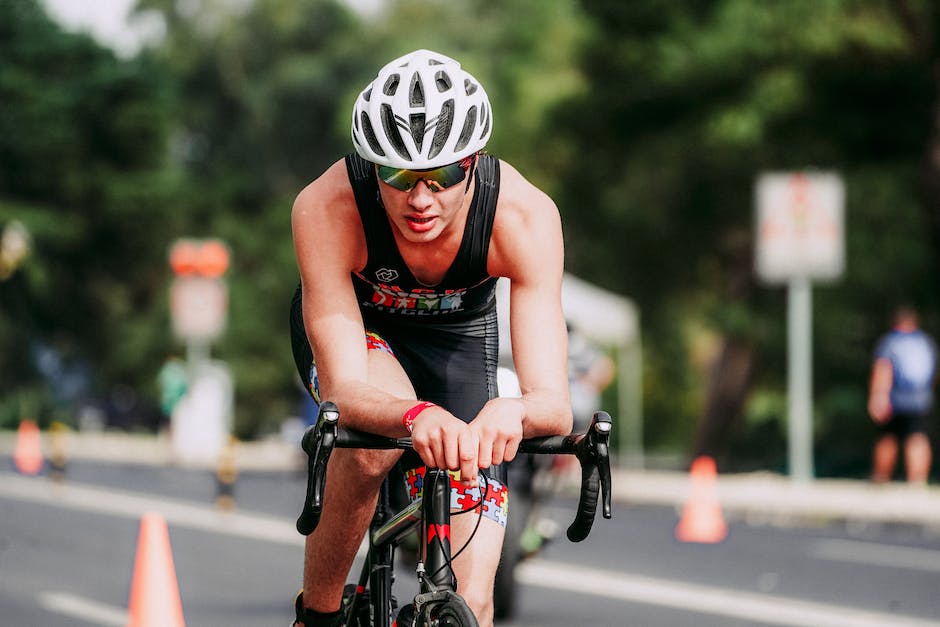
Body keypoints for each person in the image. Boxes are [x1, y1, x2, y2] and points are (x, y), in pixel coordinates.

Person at [288, 49, 571, 627]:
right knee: (369, 446)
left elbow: (554, 404)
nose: (420, 199)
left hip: (457, 339)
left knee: (475, 602)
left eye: (441, 177)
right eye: (397, 175)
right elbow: (345, 389)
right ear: (372, 168)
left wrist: (512, 413)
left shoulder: (523, 216)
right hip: (362, 331)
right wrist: (415, 417)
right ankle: (317, 613)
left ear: (472, 162)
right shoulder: (325, 206)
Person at [867, 306, 938, 484]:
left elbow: (883, 369)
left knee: (888, 437)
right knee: (918, 437)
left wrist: (878, 396)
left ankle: (881, 479)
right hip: (921, 399)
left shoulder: (890, 342)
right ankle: (918, 480)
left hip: (895, 398)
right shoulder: (925, 342)